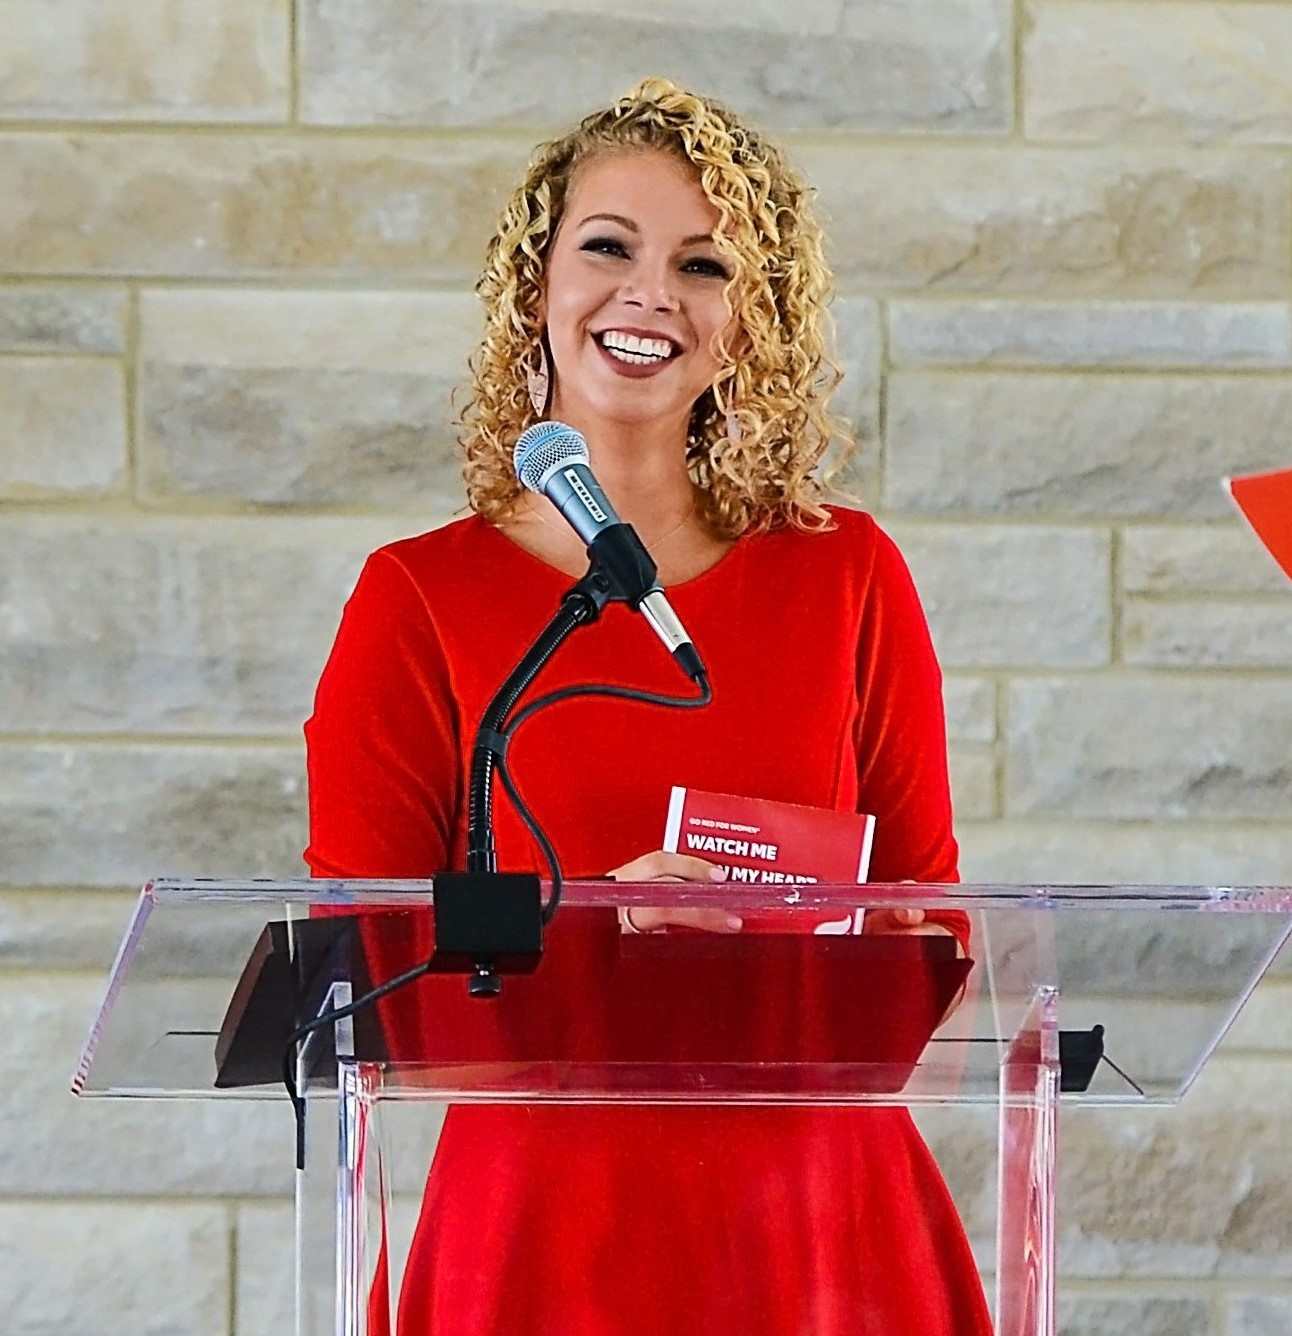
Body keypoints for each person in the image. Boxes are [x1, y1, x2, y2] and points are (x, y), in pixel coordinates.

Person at [305, 77, 993, 1335]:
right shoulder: (418, 597)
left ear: (752, 320)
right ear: (538, 288)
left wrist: (783, 930)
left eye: (704, 263)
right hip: (543, 1230)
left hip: (820, 1223)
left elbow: (926, 930)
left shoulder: (848, 576)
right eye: (607, 247)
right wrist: (599, 919)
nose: (649, 292)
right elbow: (366, 971)